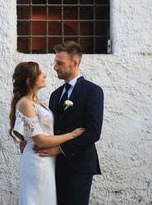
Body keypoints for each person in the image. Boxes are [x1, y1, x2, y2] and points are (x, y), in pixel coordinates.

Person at [36, 41, 104, 205]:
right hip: (53, 166)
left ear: (74, 63)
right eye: (55, 63)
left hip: (79, 166)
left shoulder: (92, 91)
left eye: (60, 63)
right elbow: (50, 129)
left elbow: (93, 132)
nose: (55, 68)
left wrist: (60, 149)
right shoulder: (55, 94)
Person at [10, 61, 85, 205]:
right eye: (39, 73)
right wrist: (72, 135)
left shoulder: (38, 102)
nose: (44, 75)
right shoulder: (26, 103)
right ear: (28, 80)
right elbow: (40, 140)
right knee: (36, 199)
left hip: (47, 160)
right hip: (37, 159)